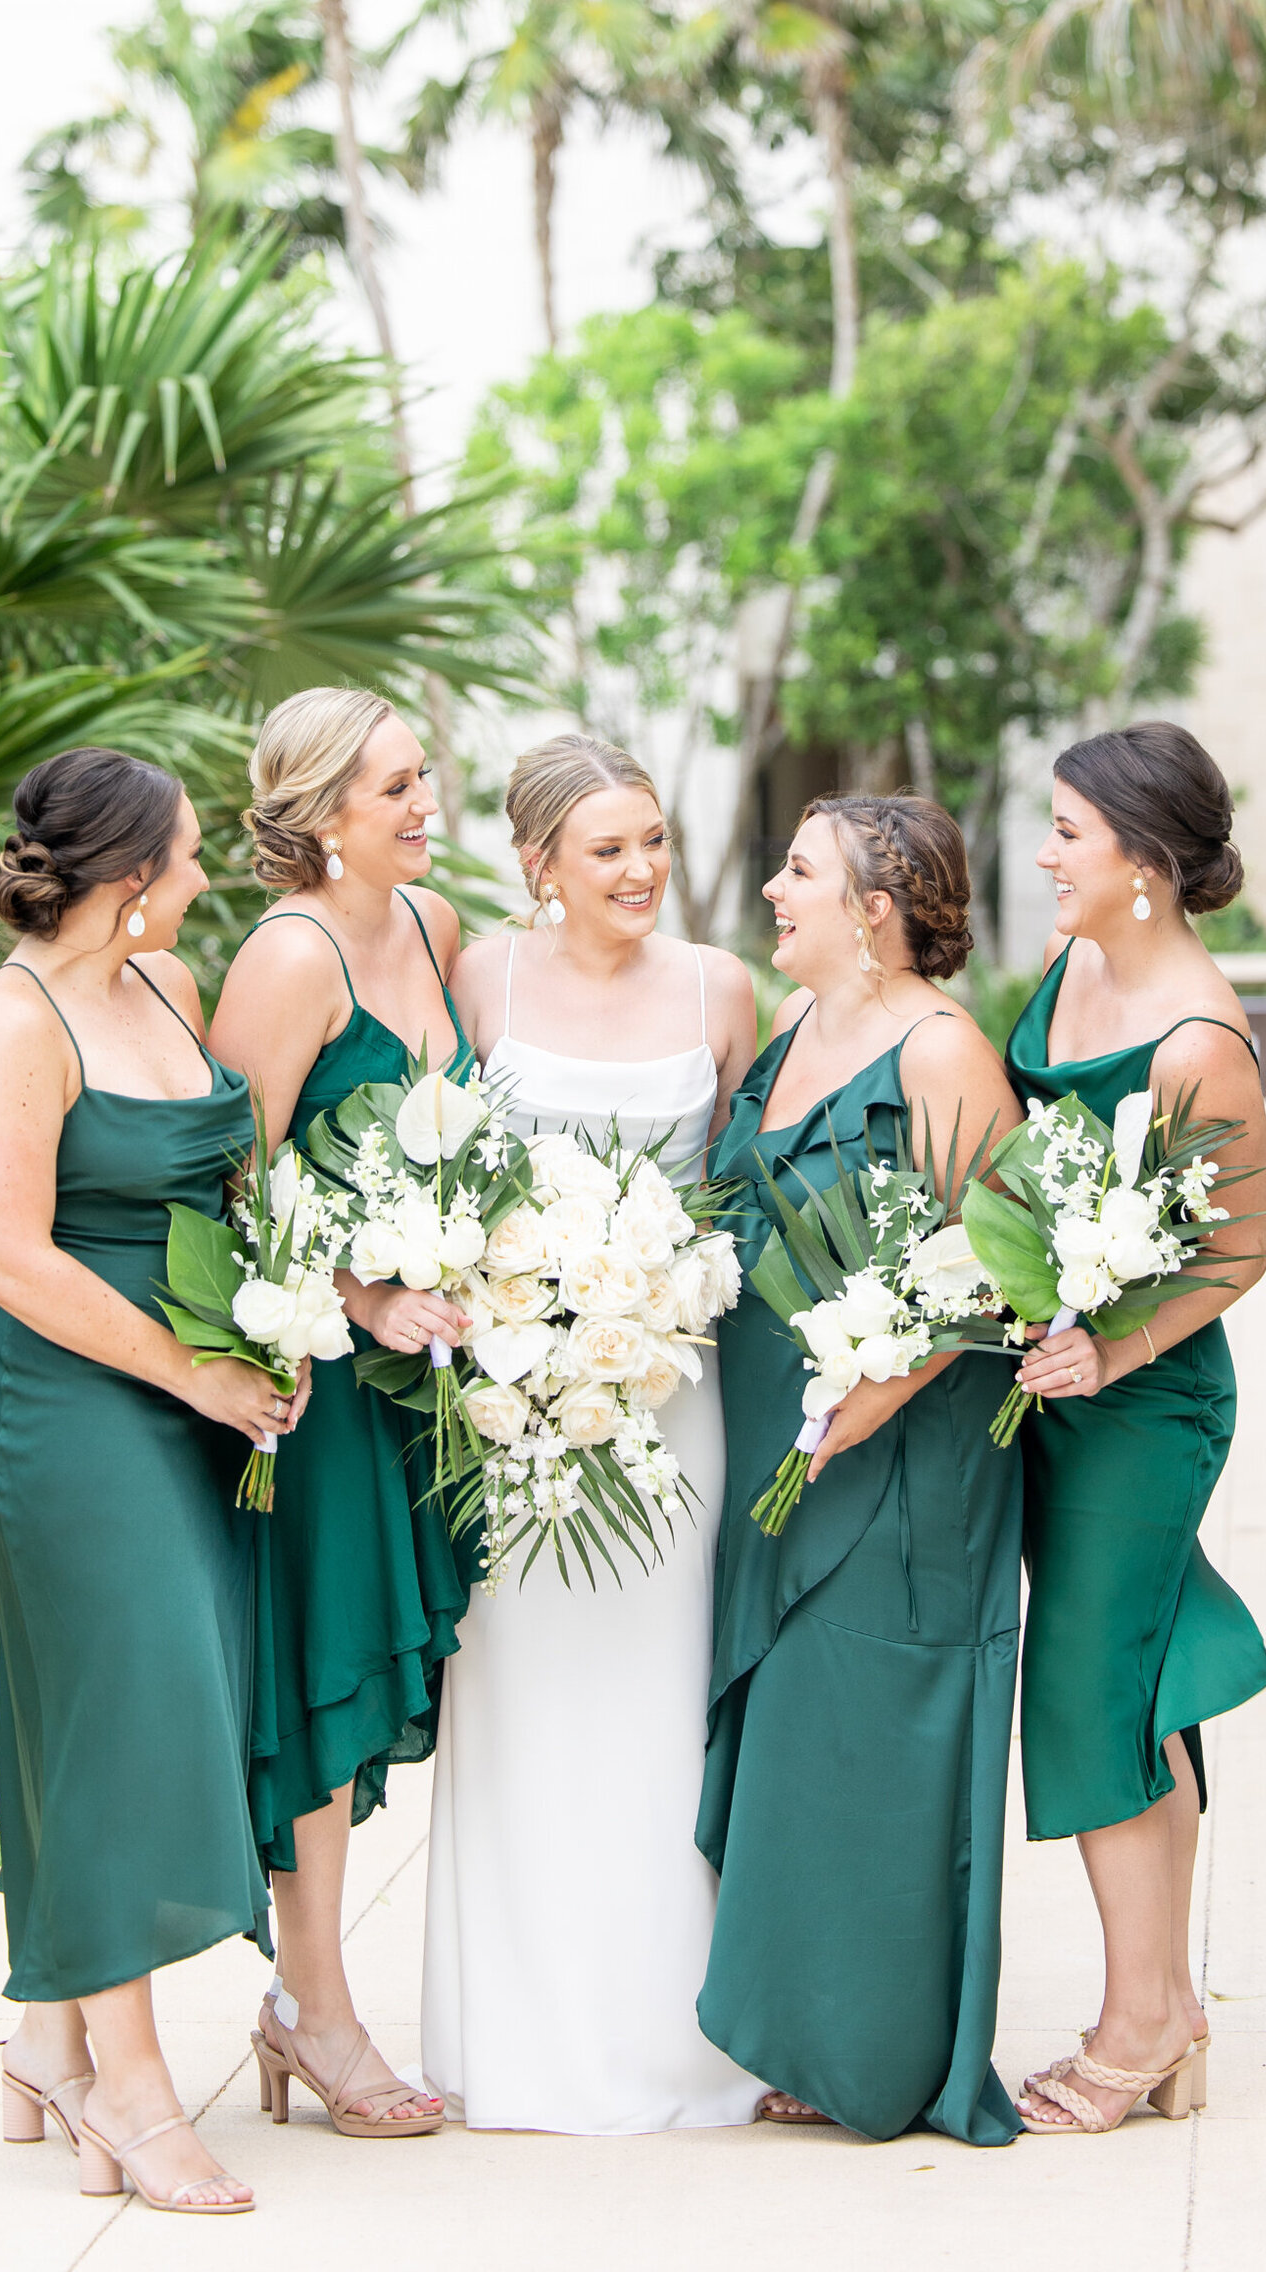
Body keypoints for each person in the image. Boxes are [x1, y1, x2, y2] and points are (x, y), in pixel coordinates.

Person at [0, 748, 288, 2216]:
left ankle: (45, 2038)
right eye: (196, 853)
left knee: (123, 1704)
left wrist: (281, 1318)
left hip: (194, 1387)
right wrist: (192, 1367)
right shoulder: (12, 1020)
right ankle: (130, 2090)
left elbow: (225, 1186)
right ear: (131, 875)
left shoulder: (167, 987)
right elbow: (9, 1254)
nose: (210, 874)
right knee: (123, 1717)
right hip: (68, 1399)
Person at [419, 732, 765, 2134]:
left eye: (654, 842)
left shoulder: (722, 988)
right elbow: (436, 1166)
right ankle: (514, 2043)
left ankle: (686, 2043)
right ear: (539, 866)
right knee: (521, 1714)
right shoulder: (478, 979)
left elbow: (740, 1186)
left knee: (660, 1709)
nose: (641, 871)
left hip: (675, 1406)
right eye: (607, 848)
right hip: (515, 1415)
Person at [696, 794, 1026, 2146]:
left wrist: (878, 1392)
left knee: (880, 1737)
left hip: (903, 1455)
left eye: (800, 872)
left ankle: (880, 2056)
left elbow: (1008, 1263)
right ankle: (802, 2028)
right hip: (783, 1447)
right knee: (798, 1740)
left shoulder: (944, 1052)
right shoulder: (789, 1037)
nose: (775, 890)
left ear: (875, 912)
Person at [1007, 722, 1266, 2135]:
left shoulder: (1198, 1040)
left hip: (1144, 1399)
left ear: (1146, 863)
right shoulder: (1079, 967)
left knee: (1091, 1694)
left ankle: (1138, 2019)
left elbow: (1237, 1255)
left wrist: (1112, 1350)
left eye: (1068, 832)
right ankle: (1164, 2010)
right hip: (1048, 1380)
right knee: (1140, 1686)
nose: (1047, 853)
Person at [208, 687, 465, 2137]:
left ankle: (313, 2003)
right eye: (392, 789)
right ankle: (315, 2009)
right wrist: (360, 1300)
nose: (425, 804)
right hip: (321, 1386)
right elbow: (237, 1180)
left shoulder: (429, 931)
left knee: (375, 1677)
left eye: (423, 776)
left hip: (428, 1381)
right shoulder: (290, 958)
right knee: (327, 1684)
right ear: (317, 819)